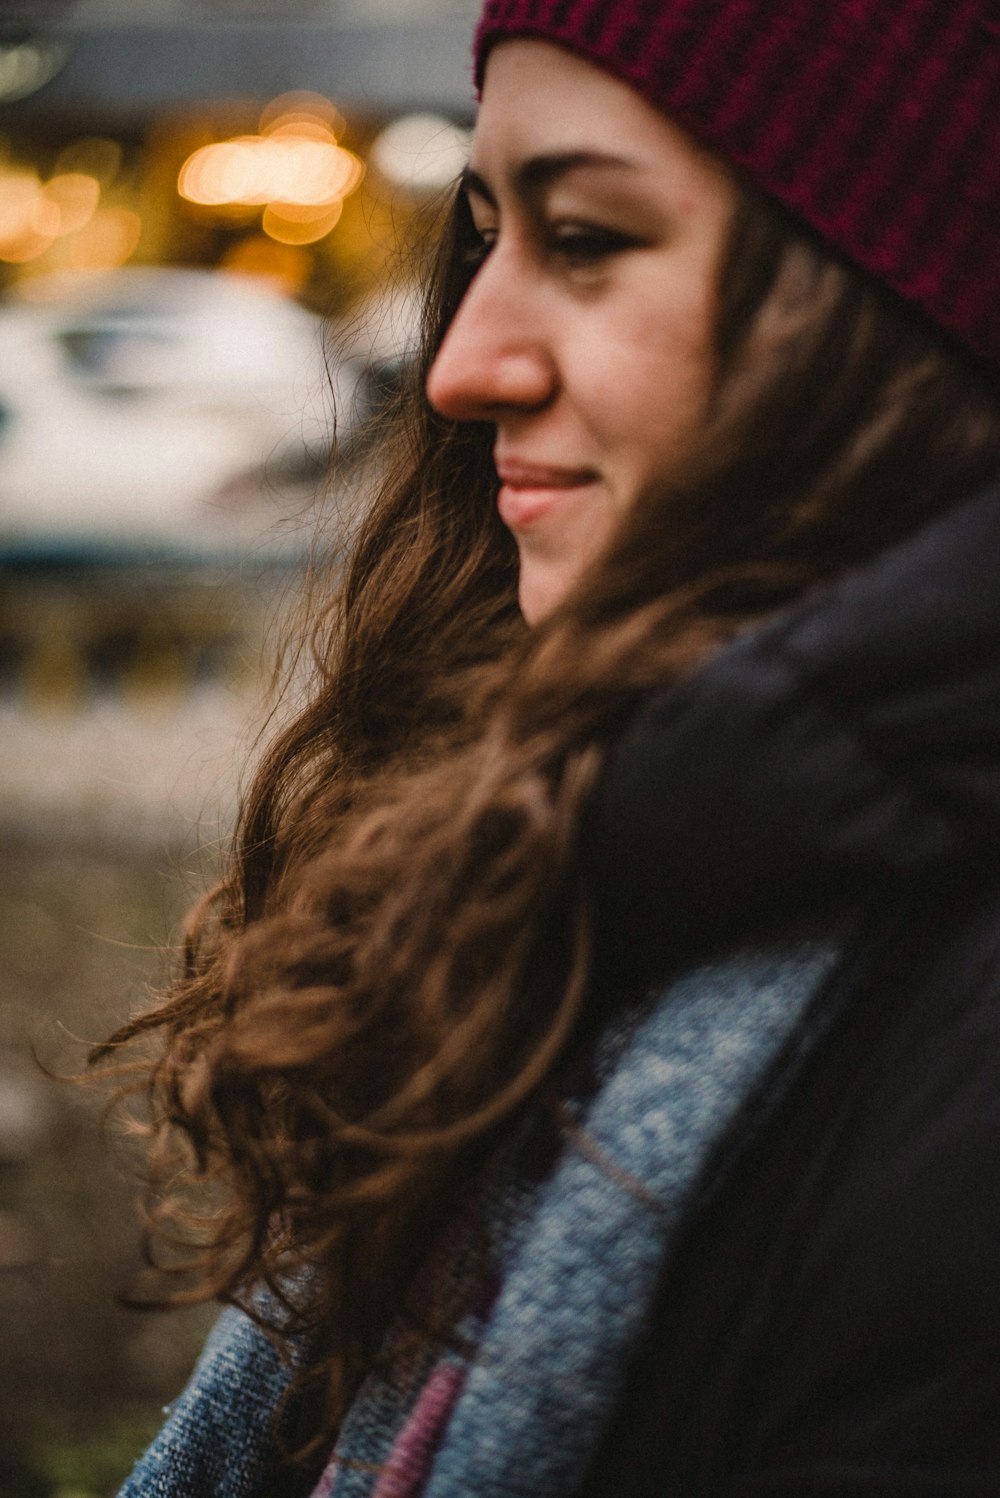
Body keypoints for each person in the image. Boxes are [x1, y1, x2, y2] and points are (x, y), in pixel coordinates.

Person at [106, 0, 1000, 1493]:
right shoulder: (578, 860)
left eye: (585, 239)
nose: (461, 362)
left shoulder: (949, 1083)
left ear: (893, 310)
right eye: (486, 235)